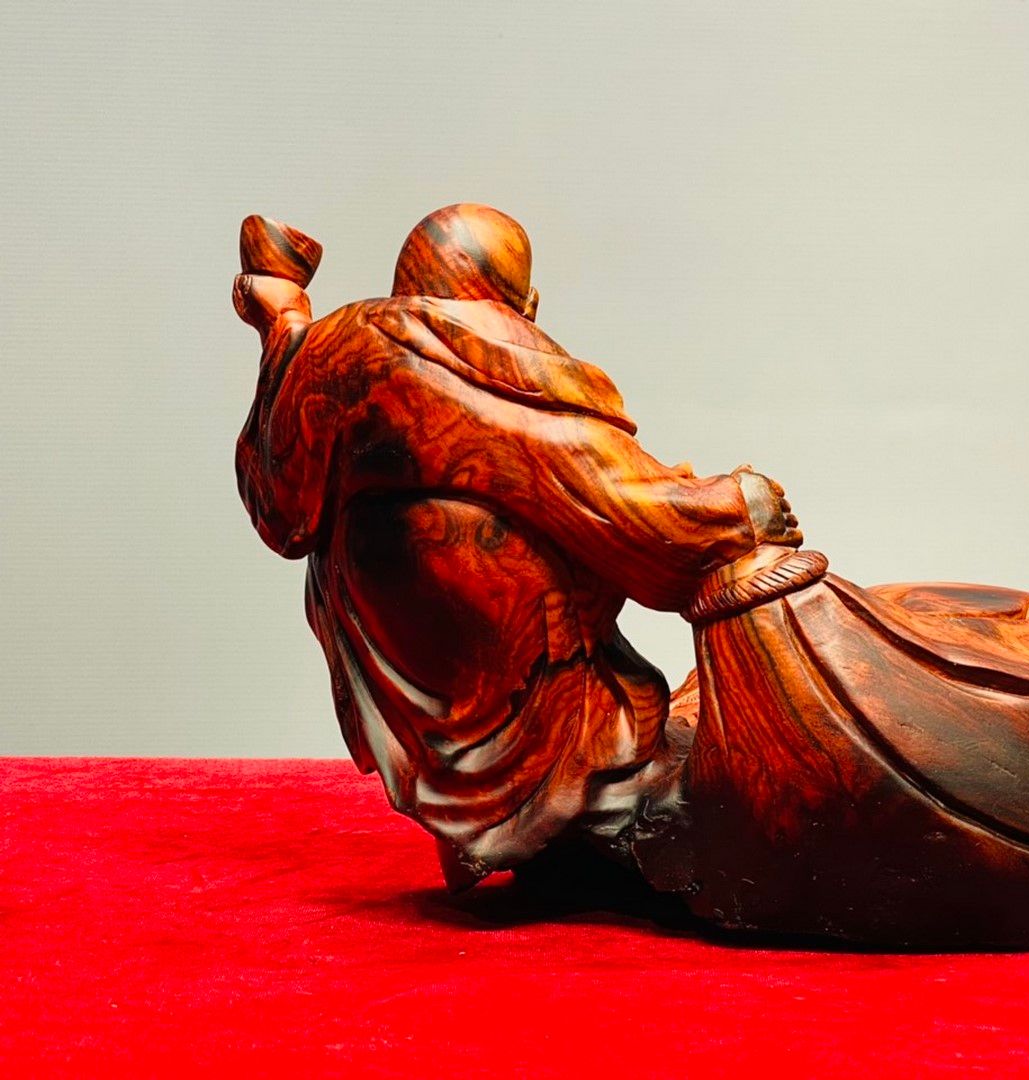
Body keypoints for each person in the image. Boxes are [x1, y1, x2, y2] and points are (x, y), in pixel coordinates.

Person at [233, 204, 799, 884]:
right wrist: (740, 505)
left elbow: (281, 512)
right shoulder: (470, 354)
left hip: (426, 705)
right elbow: (628, 512)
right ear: (519, 301)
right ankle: (562, 817)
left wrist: (283, 321)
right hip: (526, 711)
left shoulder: (338, 352)